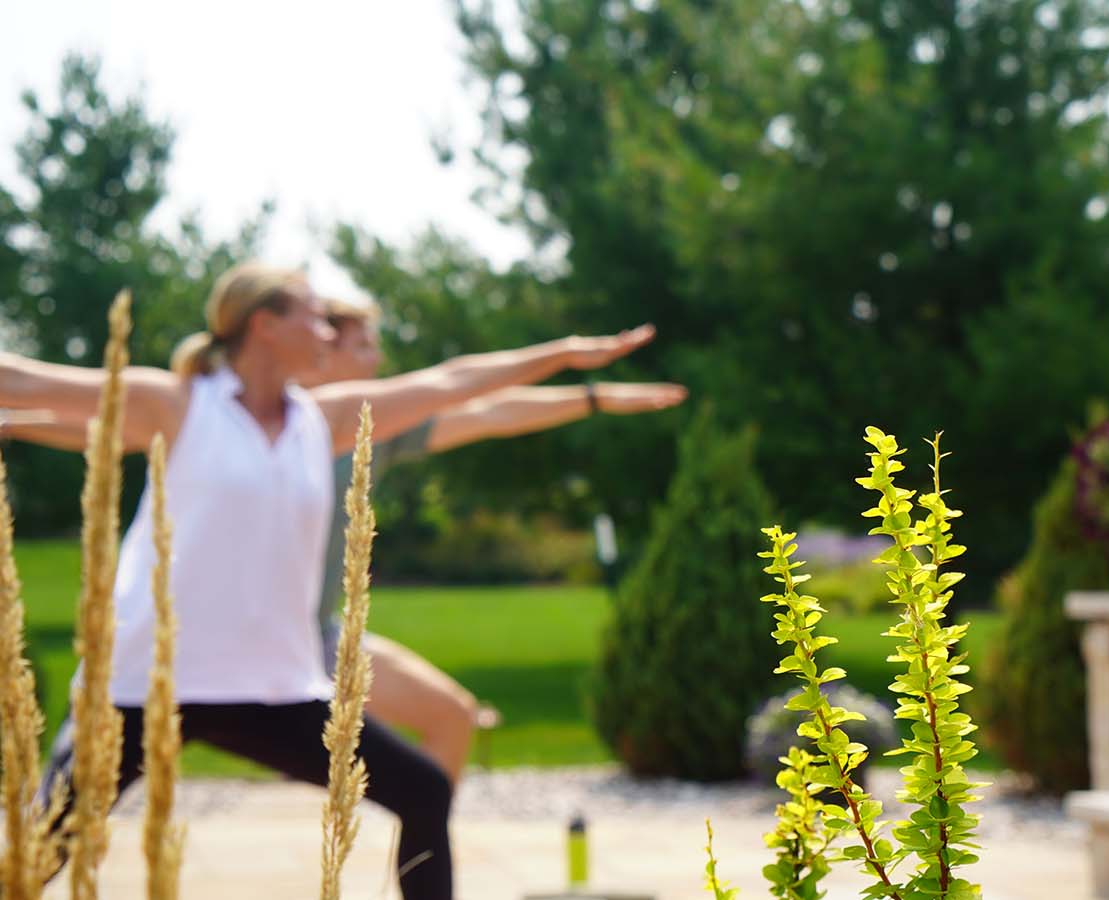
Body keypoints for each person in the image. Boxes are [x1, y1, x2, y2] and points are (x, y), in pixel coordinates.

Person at [0, 261, 655, 900]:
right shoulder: (174, 405)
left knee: (423, 792)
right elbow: (23, 380)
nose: (325, 332)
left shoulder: (328, 422)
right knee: (43, 852)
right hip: (145, 683)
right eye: (313, 317)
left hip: (272, 688)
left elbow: (452, 381)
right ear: (265, 325)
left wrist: (565, 353)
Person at [311, 297, 686, 783]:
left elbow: (489, 411)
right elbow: (452, 379)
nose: (376, 359)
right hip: (242, 639)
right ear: (321, 349)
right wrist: (567, 353)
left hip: (314, 635)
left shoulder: (374, 429)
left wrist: (593, 398)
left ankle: (421, 855)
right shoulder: (269, 423)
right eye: (362, 346)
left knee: (452, 717)